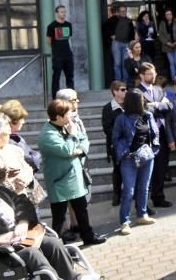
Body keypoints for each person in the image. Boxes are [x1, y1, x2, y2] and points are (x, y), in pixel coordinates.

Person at [37, 99, 106, 246]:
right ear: (58, 116)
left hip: (74, 177)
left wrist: (79, 149)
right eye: (68, 113)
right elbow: (66, 150)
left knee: (81, 209)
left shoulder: (66, 125)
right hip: (59, 181)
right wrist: (72, 136)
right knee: (59, 216)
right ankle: (56, 245)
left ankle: (88, 236)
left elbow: (84, 139)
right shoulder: (47, 135)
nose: (71, 115)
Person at [111, 90, 160, 235]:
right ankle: (124, 221)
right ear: (133, 101)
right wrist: (126, 151)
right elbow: (115, 138)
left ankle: (142, 215)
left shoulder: (148, 115)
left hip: (146, 157)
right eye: (141, 99)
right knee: (129, 191)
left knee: (144, 188)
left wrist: (153, 151)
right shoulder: (121, 118)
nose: (143, 101)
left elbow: (154, 134)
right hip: (129, 158)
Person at [136, 63, 175, 208]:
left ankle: (158, 197)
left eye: (154, 73)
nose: (153, 76)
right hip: (146, 136)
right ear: (141, 75)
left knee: (161, 166)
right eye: (149, 74)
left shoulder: (159, 89)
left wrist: (154, 105)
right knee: (146, 169)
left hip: (161, 134)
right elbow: (143, 110)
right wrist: (157, 106)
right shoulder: (136, 92)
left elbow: (169, 106)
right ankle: (143, 204)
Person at [0, 100, 42, 172]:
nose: (24, 122)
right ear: (13, 122)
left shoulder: (16, 138)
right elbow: (32, 161)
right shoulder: (9, 141)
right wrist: (35, 155)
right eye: (22, 119)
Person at [101, 81, 127, 206]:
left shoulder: (129, 105)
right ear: (115, 91)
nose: (125, 91)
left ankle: (130, 192)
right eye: (122, 89)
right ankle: (117, 194)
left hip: (130, 143)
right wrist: (122, 133)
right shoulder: (108, 108)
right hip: (116, 144)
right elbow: (107, 128)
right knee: (117, 169)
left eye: (126, 89)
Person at [46, 5, 74, 93]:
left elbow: (68, 38)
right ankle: (55, 97)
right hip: (57, 55)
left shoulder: (68, 25)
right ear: (57, 13)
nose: (64, 13)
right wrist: (56, 48)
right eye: (62, 12)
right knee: (56, 77)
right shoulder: (51, 26)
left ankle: (71, 95)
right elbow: (49, 40)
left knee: (70, 76)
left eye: (65, 12)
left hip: (68, 54)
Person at [104, 5, 135, 82]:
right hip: (116, 43)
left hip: (126, 44)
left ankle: (125, 81)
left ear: (126, 11)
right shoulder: (113, 19)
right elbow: (105, 26)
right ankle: (118, 81)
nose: (123, 12)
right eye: (121, 11)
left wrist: (131, 43)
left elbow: (132, 33)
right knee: (117, 63)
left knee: (125, 64)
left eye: (124, 11)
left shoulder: (129, 20)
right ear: (118, 12)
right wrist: (111, 35)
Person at [157, 8, 176, 81]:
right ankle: (174, 79)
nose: (168, 16)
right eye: (167, 14)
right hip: (167, 46)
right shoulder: (162, 23)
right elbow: (160, 35)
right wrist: (167, 43)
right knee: (172, 63)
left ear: (172, 15)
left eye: (170, 14)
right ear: (165, 15)